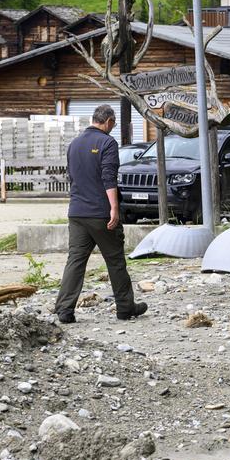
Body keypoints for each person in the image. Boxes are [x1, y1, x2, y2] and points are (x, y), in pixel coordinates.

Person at [53, 104, 147, 323]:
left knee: (75, 260)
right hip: (100, 213)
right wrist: (114, 208)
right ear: (109, 122)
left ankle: (65, 309)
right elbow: (108, 177)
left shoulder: (74, 144)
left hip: (76, 212)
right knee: (115, 260)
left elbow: (72, 177)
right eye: (112, 125)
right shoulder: (107, 142)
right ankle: (125, 307)